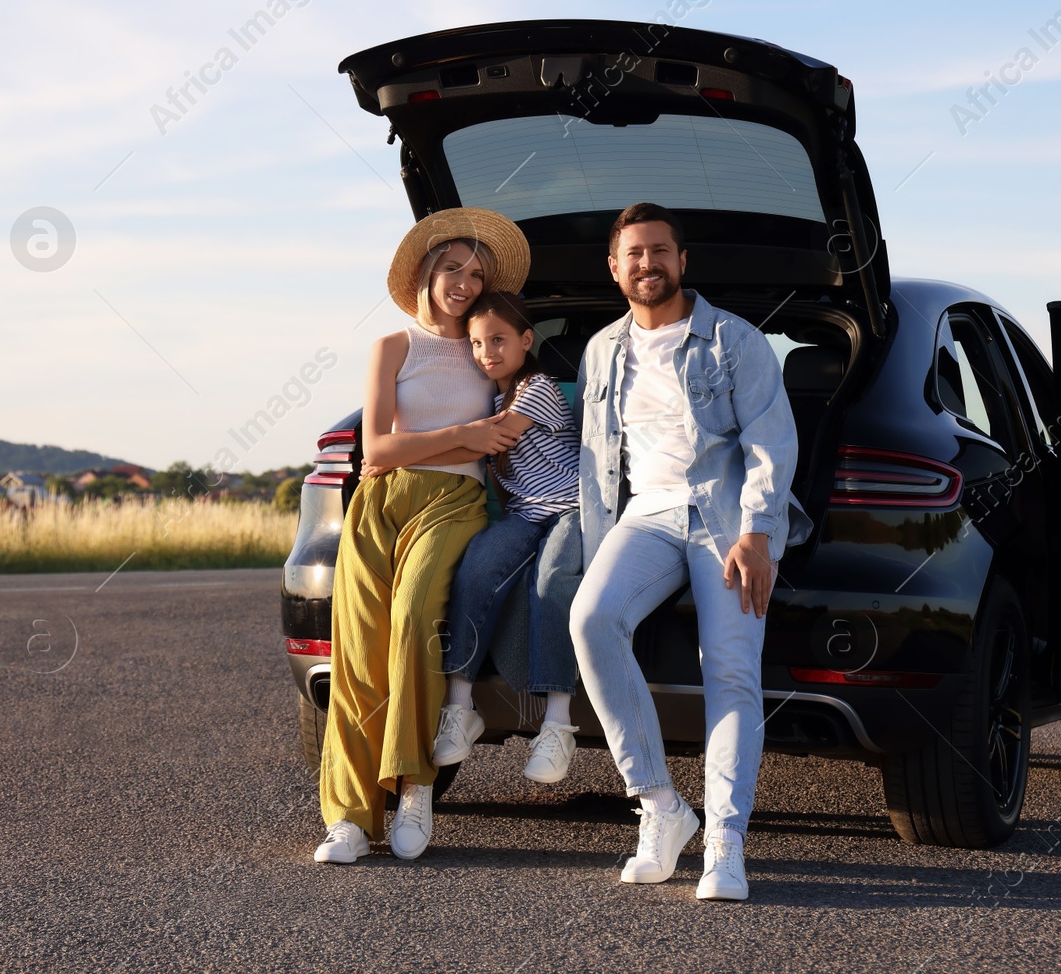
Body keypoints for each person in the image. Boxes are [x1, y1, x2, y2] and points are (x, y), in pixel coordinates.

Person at [569, 202, 811, 902]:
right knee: (591, 619)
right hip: (643, 518)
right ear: (614, 268)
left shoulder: (734, 340)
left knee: (731, 670)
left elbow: (771, 439)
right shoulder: (601, 350)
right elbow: (594, 465)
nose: (648, 264)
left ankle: (726, 844)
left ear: (683, 260)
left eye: (660, 251)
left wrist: (759, 532)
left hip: (725, 519)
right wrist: (595, 550)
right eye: (634, 254)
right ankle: (660, 805)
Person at [314, 207, 530, 865]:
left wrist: (432, 447)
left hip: (455, 501)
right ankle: (349, 818)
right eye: (452, 269)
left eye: (476, 272)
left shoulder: (487, 348)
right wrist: (465, 435)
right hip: (380, 504)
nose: (465, 281)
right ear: (424, 277)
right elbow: (375, 446)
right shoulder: (392, 347)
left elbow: (519, 420)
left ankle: (415, 785)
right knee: (358, 649)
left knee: (412, 622)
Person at [432, 291, 584, 783]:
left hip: (572, 509)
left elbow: (494, 438)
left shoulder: (536, 387)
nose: (486, 352)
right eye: (476, 343)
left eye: (498, 339)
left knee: (552, 580)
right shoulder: (491, 398)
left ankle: (557, 724)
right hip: (525, 514)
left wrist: (400, 448)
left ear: (524, 340)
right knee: (476, 568)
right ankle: (460, 707)